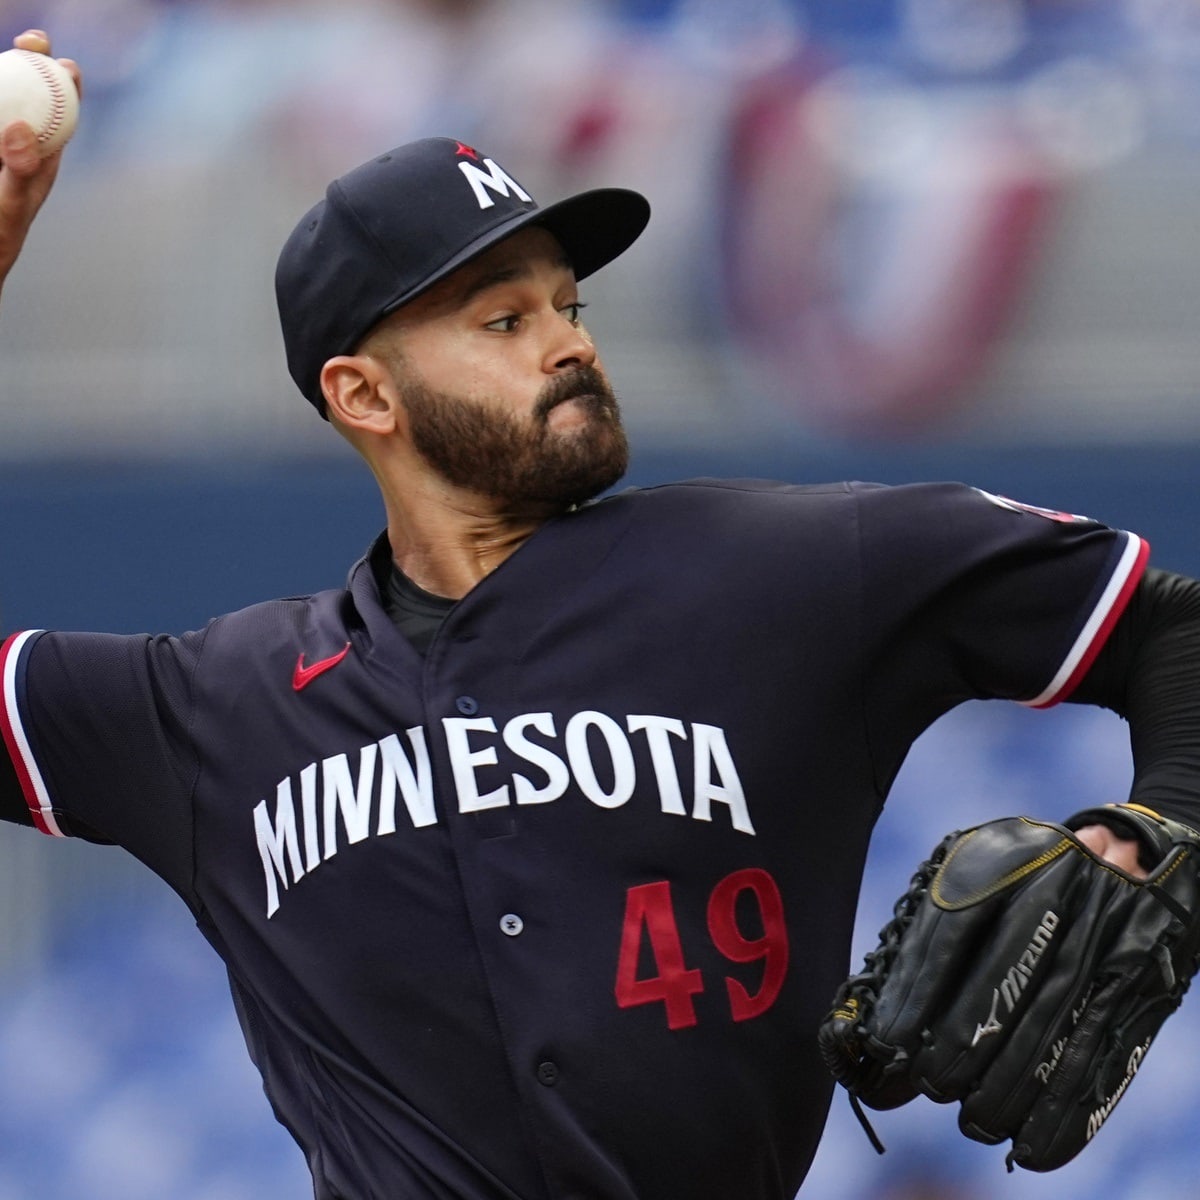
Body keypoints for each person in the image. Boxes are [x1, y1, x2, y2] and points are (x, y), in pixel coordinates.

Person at [3, 28, 1200, 1200]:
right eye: (504, 320)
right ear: (364, 393)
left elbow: (1171, 626)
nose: (569, 344)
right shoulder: (215, 705)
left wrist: (1156, 829)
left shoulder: (784, 571)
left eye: (568, 305)